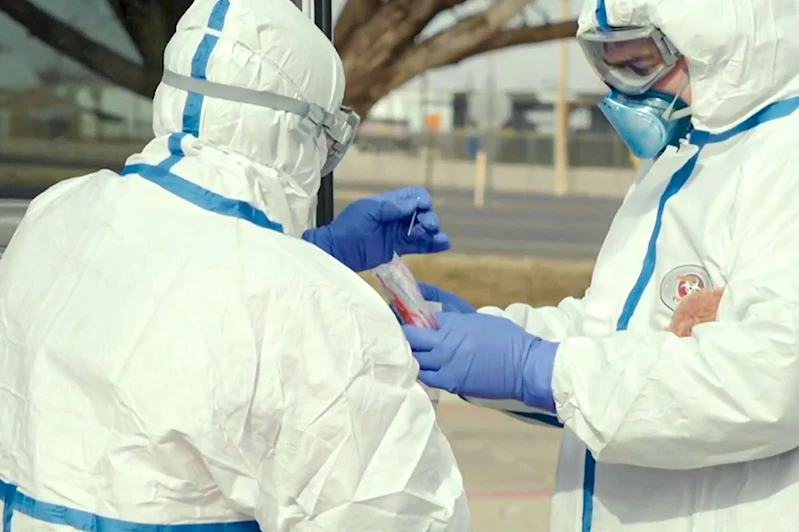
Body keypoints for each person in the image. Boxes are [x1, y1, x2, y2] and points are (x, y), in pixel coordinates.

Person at [0, 0, 470, 530]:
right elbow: (399, 511)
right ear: (299, 132)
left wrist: (314, 253)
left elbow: (168, 292)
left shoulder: (56, 214)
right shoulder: (311, 311)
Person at [401, 0, 799, 530]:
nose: (623, 93)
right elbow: (611, 334)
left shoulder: (783, 159)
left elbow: (768, 377)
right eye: (608, 66)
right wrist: (492, 337)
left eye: (639, 67)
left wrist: (540, 369)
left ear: (718, 46)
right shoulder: (683, 158)